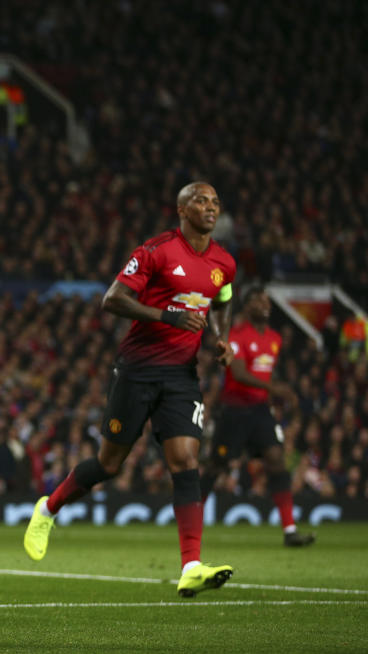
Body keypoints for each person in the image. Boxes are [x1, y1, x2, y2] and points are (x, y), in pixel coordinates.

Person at [24, 182, 237, 597]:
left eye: (215, 201)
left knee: (185, 461)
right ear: (181, 209)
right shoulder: (156, 251)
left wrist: (220, 338)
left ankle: (191, 564)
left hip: (181, 374)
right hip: (137, 369)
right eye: (201, 201)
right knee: (109, 464)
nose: (210, 207)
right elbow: (112, 299)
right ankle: (48, 509)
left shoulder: (224, 262)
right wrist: (167, 316)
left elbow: (223, 299)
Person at [201, 286, 315, 546]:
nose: (264, 304)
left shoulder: (274, 338)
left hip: (260, 411)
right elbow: (239, 373)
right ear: (247, 306)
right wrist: (275, 388)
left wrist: (276, 393)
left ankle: (289, 530)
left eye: (266, 300)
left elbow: (263, 375)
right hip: (234, 411)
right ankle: (191, 516)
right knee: (216, 466)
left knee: (277, 460)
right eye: (258, 301)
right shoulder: (238, 336)